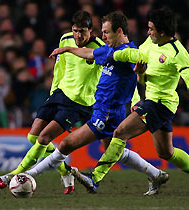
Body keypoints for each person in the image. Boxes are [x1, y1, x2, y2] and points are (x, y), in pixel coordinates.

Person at [72, 7, 189, 195]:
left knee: (120, 132)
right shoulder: (150, 43)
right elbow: (136, 57)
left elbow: (188, 72)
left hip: (160, 103)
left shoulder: (178, 52)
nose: (148, 32)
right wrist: (123, 62)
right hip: (153, 101)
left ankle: (95, 177)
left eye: (151, 29)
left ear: (162, 32)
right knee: (165, 152)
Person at [24, 11, 169, 196]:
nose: (102, 36)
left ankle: (29, 174)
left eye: (106, 32)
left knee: (66, 144)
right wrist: (67, 49)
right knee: (115, 150)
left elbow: (143, 67)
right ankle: (155, 174)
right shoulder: (110, 50)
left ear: (119, 31)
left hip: (107, 113)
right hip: (101, 109)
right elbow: (90, 53)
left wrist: (143, 72)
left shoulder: (128, 53)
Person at [0, 10, 105, 194]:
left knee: (44, 138)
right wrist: (53, 92)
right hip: (59, 94)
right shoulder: (65, 39)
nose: (78, 35)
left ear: (91, 30)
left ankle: (12, 175)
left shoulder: (99, 48)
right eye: (75, 30)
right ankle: (65, 172)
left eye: (82, 31)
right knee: (33, 136)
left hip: (79, 103)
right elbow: (60, 68)